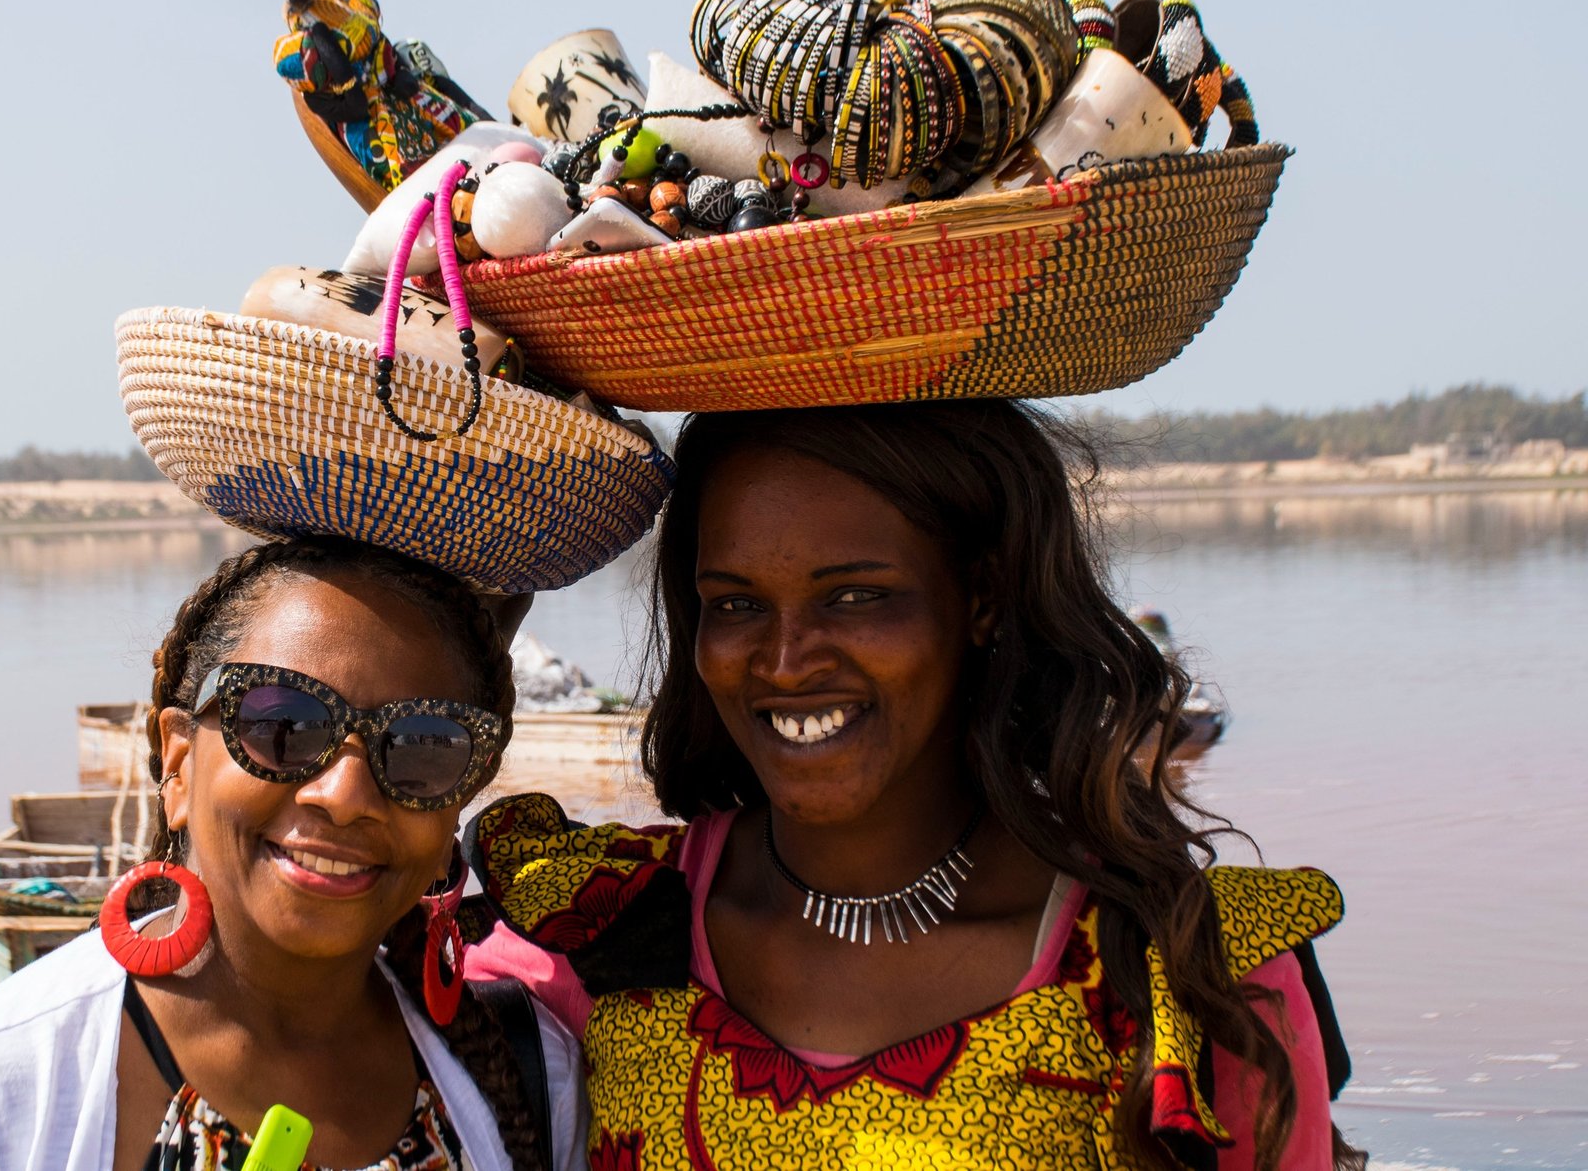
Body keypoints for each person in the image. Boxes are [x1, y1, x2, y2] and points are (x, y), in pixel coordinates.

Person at [467, 402, 1362, 1170]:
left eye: (854, 596)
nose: (784, 661)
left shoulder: (1182, 979)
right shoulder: (594, 930)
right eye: (735, 603)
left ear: (982, 597)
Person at [0, 537, 585, 1171]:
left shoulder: (531, 1074)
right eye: (283, 723)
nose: (345, 792)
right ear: (176, 762)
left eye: (422, 746)